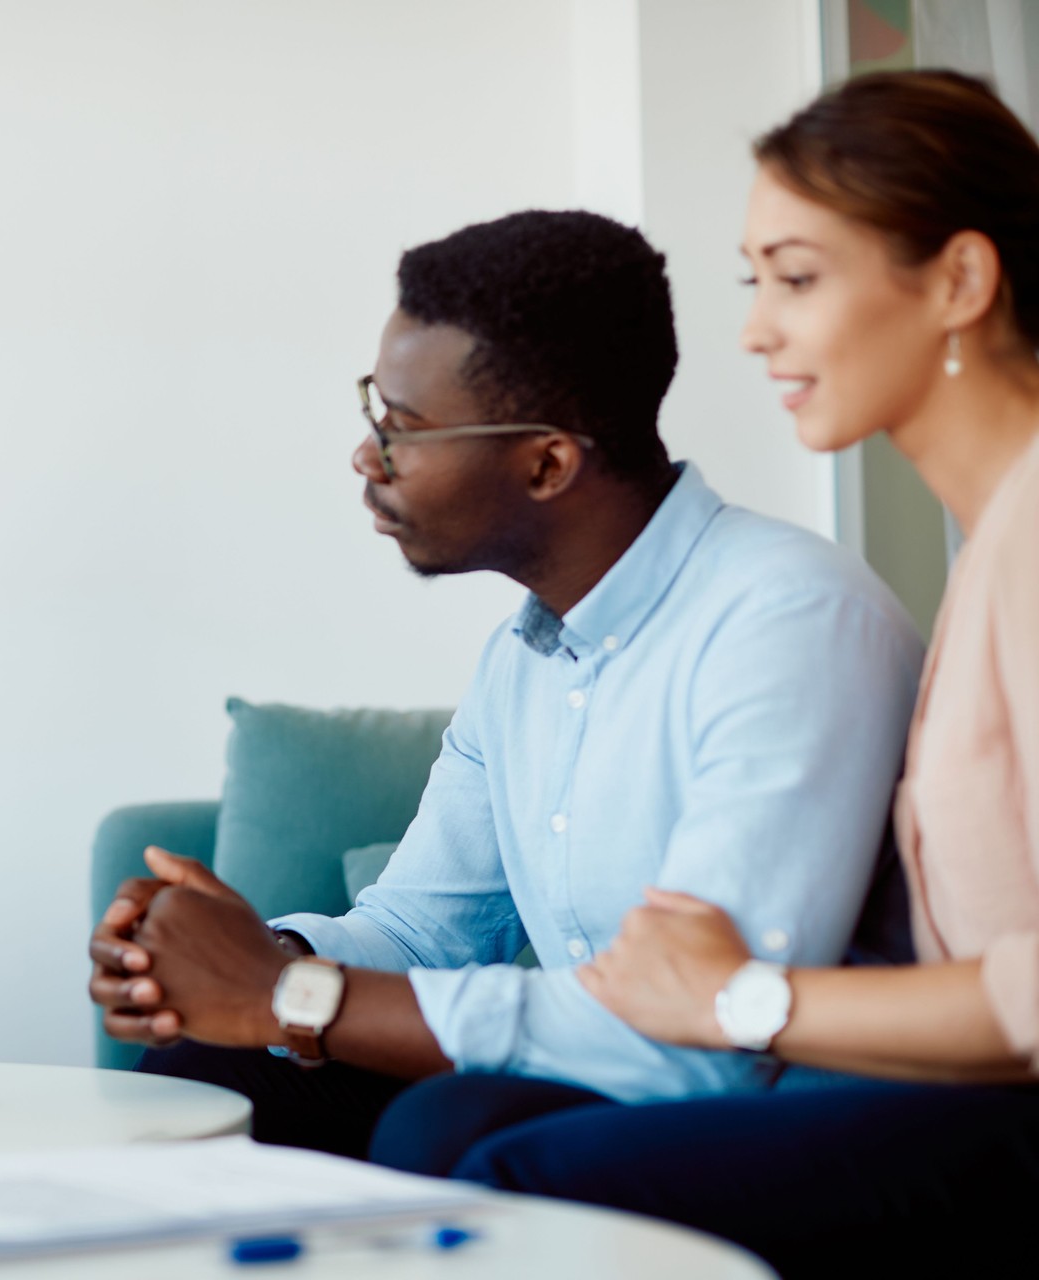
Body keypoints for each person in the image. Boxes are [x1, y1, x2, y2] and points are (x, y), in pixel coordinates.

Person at [364, 71, 1039, 1279]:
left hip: (1000, 1104)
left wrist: (743, 1000)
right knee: (453, 1136)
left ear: (959, 281)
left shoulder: (989, 549)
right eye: (753, 281)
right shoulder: (994, 541)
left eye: (798, 276)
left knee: (503, 1167)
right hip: (951, 1081)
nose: (754, 330)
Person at [87, 210, 926, 1163]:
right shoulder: (524, 658)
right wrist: (251, 961)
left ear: (547, 462)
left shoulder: (789, 621)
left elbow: (709, 1041)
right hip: (607, 1079)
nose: (367, 457)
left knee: (443, 1123)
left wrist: (288, 997)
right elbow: (421, 928)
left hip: (783, 1107)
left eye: (400, 429)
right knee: (211, 1071)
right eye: (373, 410)